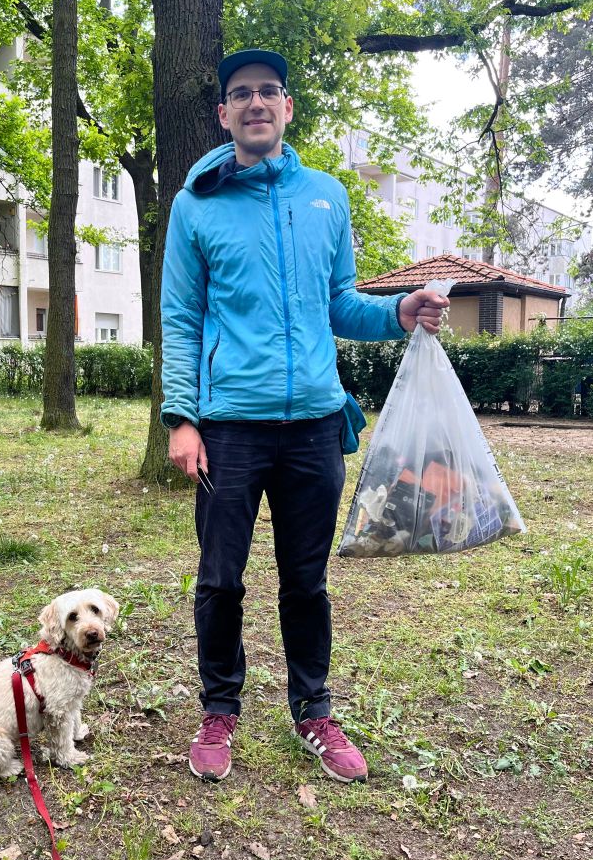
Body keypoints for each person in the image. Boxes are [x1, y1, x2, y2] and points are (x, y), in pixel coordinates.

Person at [160, 48, 448, 784]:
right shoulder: (196, 204)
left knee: (306, 582)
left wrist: (399, 312)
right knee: (219, 579)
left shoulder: (326, 196)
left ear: (287, 108)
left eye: (269, 92)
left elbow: (339, 303)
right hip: (229, 427)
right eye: (241, 94)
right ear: (224, 114)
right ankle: (219, 709)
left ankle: (313, 710)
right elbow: (181, 317)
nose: (256, 103)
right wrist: (182, 418)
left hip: (316, 427)